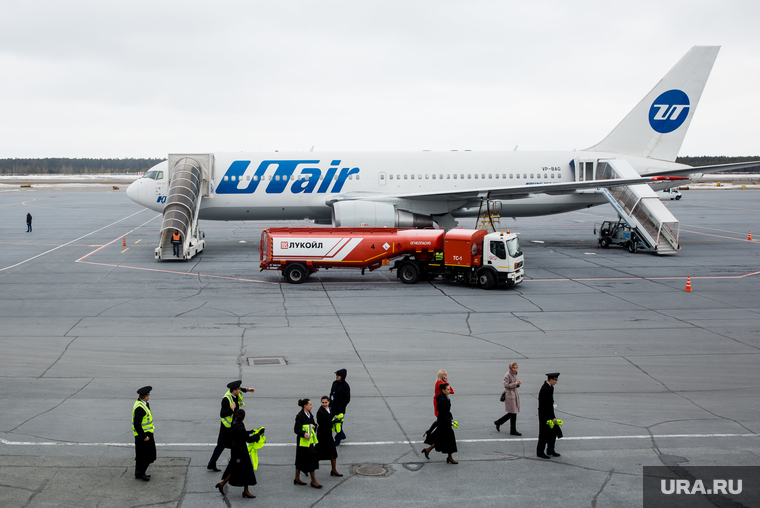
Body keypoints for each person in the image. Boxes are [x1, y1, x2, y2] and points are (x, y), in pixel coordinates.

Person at [208, 380, 255, 472]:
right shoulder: (226, 399)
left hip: (233, 425)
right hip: (227, 428)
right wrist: (231, 409)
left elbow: (241, 389)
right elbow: (222, 414)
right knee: (227, 445)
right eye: (238, 389)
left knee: (225, 446)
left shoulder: (235, 393)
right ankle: (238, 464)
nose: (240, 390)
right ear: (234, 391)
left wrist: (248, 390)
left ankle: (213, 463)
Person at [215, 409, 262, 499]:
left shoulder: (235, 423)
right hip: (241, 452)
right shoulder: (240, 425)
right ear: (243, 417)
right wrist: (258, 435)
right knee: (247, 470)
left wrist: (251, 431)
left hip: (235, 450)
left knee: (234, 469)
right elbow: (247, 439)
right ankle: (246, 491)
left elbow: (242, 434)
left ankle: (222, 484)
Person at [422, 383, 458, 464]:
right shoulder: (443, 399)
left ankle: (429, 450)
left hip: (445, 421)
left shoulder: (445, 397)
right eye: (448, 389)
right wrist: (449, 421)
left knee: (443, 439)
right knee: (450, 439)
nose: (449, 391)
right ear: (443, 390)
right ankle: (449, 457)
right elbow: (442, 413)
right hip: (444, 423)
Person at [294, 398, 321, 488]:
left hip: (309, 441)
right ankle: (312, 480)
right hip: (303, 442)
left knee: (310, 458)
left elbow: (314, 424)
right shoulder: (300, 416)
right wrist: (303, 433)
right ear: (305, 406)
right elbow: (296, 429)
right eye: (310, 404)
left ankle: (299, 478)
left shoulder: (310, 415)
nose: (311, 406)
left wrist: (314, 426)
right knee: (302, 459)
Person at [132, 386, 156, 481]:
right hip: (144, 435)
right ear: (146, 396)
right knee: (149, 455)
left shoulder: (141, 404)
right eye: (148, 395)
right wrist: (144, 436)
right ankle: (141, 472)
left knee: (141, 454)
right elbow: (137, 424)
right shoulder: (140, 408)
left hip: (144, 434)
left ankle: (138, 472)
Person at [315, 396, 342, 477]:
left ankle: (334, 470)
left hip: (328, 435)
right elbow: (323, 425)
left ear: (329, 402)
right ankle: (307, 468)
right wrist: (333, 422)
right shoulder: (320, 412)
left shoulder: (329, 409)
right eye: (323, 403)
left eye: (325, 402)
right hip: (322, 436)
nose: (324, 404)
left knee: (333, 452)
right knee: (317, 454)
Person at [537, 372, 562, 459]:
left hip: (549, 413)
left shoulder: (550, 387)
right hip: (545, 415)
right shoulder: (545, 389)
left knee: (553, 433)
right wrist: (552, 418)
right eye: (555, 380)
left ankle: (550, 449)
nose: (556, 382)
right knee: (543, 434)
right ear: (551, 380)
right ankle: (540, 451)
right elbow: (545, 406)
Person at [494, 362, 522, 435]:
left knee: (513, 412)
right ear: (510, 368)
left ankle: (500, 422)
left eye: (516, 368)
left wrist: (517, 385)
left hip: (514, 394)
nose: (515, 369)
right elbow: (506, 385)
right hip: (510, 395)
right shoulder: (507, 375)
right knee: (513, 412)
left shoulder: (515, 374)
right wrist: (515, 384)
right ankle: (511, 429)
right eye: (514, 368)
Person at [329, 369, 350, 445]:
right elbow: (331, 393)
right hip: (333, 407)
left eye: (338, 375)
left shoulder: (346, 386)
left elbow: (347, 399)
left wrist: (341, 407)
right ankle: (342, 435)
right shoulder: (334, 383)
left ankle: (337, 440)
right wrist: (329, 403)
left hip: (340, 410)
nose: (337, 376)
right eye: (336, 375)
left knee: (338, 424)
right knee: (333, 423)